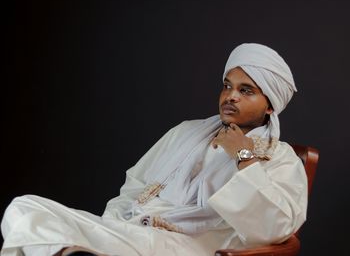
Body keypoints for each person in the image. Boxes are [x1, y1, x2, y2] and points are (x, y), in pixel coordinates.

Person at [1, 43, 307, 256]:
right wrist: (115, 222)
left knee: (41, 235)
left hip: (188, 247)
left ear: (269, 105)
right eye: (227, 85)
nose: (231, 96)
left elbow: (274, 229)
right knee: (25, 208)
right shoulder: (187, 132)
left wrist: (243, 155)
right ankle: (77, 251)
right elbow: (135, 185)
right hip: (134, 231)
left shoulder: (279, 158)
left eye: (246, 90)